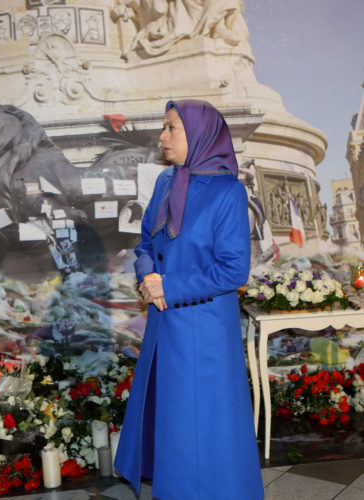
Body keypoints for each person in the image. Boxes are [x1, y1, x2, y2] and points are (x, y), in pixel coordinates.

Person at [114, 99, 264, 499]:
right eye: (164, 127)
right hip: (165, 325)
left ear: (198, 135)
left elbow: (233, 270)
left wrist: (170, 286)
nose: (162, 136)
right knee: (176, 424)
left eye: (171, 128)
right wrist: (147, 274)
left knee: (205, 427)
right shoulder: (166, 182)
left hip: (205, 331)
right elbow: (145, 242)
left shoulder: (229, 192)